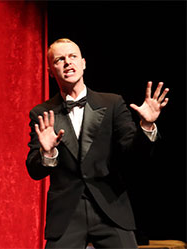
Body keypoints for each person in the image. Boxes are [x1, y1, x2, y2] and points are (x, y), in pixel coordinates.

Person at [26, 38, 169, 248]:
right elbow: (33, 170)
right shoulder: (42, 113)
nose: (68, 62)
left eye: (73, 56)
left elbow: (133, 154)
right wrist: (48, 155)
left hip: (110, 208)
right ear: (50, 70)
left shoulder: (112, 103)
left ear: (83, 63)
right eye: (60, 59)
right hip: (67, 214)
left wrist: (146, 127)